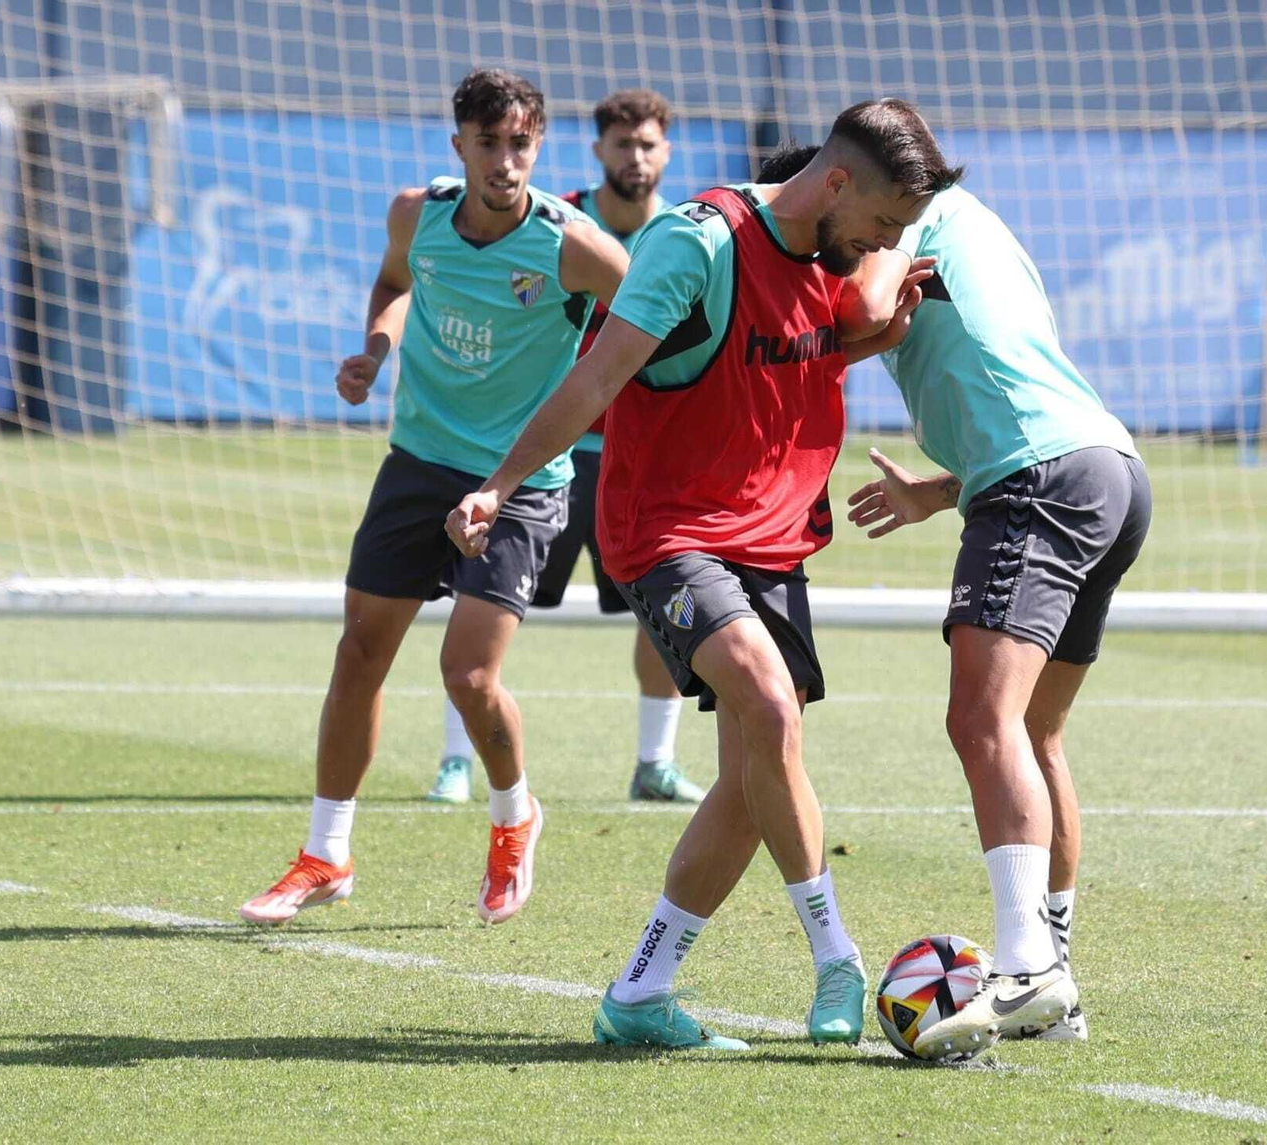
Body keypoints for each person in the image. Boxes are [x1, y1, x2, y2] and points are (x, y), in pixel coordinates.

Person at [446, 100, 953, 1051]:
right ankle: (836, 957)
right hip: (666, 532)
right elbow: (597, 380)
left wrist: (868, 340)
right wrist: (499, 486)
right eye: (882, 226)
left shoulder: (829, 256)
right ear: (836, 184)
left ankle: (641, 991)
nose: (884, 245)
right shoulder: (699, 242)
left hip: (773, 537)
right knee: (767, 703)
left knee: (757, 777)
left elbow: (781, 357)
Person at [238, 69, 629, 928]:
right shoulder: (415, 214)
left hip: (522, 483)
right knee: (358, 652)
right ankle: (326, 852)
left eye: (520, 143)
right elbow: (392, 283)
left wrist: (624, 413)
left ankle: (513, 814)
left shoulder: (576, 246)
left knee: (470, 674)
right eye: (488, 142)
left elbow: (653, 323)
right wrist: (375, 351)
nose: (505, 159)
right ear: (460, 146)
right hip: (419, 461)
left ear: (539, 146)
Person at [839, 174, 1152, 1057]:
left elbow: (860, 309)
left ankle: (1026, 967)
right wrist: (940, 490)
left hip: (1040, 481)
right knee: (1035, 734)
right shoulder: (985, 227)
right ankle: (1056, 982)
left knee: (981, 718)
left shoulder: (899, 222)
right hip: (1109, 468)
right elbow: (1018, 378)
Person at [427, 88, 705, 807]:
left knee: (663, 605)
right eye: (623, 144)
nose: (635, 157)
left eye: (648, 145)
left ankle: (656, 760)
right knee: (478, 595)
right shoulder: (556, 224)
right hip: (540, 453)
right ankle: (457, 759)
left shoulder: (682, 235)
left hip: (638, 456)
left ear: (666, 153)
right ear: (597, 151)